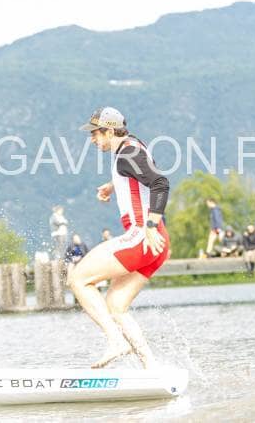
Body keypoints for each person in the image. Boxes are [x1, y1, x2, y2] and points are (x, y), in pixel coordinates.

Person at [69, 106, 171, 369]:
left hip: (143, 236)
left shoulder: (127, 154)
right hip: (156, 243)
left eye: (95, 133)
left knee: (78, 279)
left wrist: (150, 225)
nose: (92, 139)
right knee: (115, 306)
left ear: (110, 131)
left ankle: (115, 341)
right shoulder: (131, 146)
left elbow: (160, 183)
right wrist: (114, 185)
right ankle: (152, 368)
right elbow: (142, 175)